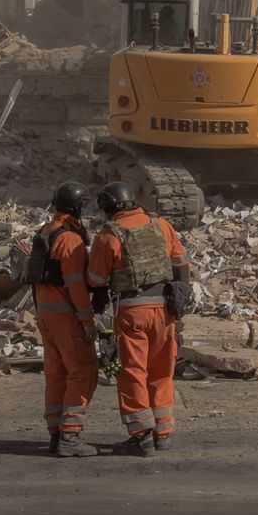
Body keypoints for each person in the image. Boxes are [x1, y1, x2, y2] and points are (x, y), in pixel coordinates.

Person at [87, 181, 191, 456]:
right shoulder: (161, 226)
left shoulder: (108, 236)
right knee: (161, 370)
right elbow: (181, 264)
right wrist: (180, 300)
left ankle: (141, 435)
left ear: (109, 208)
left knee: (134, 371)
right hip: (165, 310)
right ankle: (163, 432)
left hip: (132, 311)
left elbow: (96, 279)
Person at [31, 181, 97, 458]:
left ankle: (56, 433)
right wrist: (87, 321)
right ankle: (71, 436)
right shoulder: (70, 239)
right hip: (65, 314)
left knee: (56, 375)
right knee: (82, 371)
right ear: (79, 207)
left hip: (45, 313)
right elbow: (76, 285)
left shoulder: (46, 231)